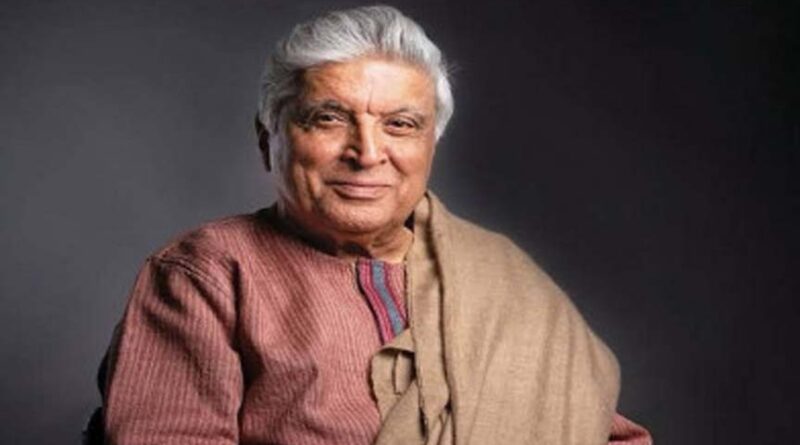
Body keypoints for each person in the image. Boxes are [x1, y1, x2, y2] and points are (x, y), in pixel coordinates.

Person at [88, 5, 651, 444]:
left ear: (431, 146)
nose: (367, 152)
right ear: (269, 140)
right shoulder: (207, 273)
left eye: (400, 124)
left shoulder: (500, 275)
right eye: (328, 118)